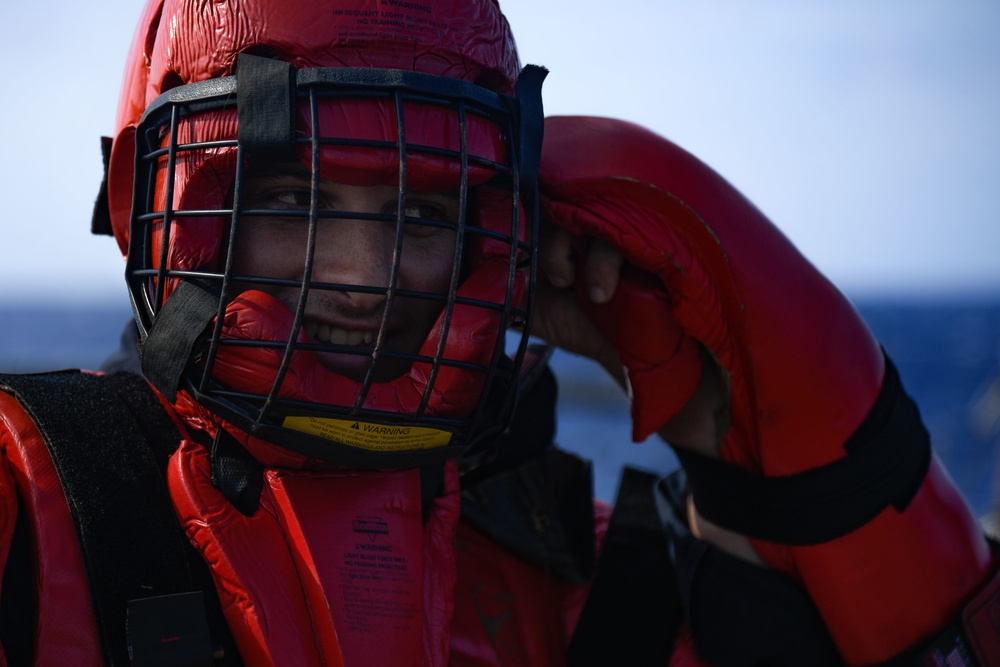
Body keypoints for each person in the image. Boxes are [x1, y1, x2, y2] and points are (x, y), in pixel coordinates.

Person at [0, 0, 997, 665]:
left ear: (497, 238)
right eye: (295, 196)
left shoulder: (558, 566)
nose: (362, 277)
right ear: (158, 199)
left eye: (421, 217)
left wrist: (728, 430)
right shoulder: (32, 502)